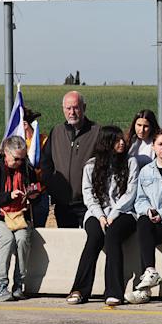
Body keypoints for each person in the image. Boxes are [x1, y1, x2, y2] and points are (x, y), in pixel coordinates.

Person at [66, 125, 138, 306]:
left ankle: (114, 291)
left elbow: (131, 193)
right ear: (106, 143)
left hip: (123, 212)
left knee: (113, 236)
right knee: (95, 237)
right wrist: (100, 216)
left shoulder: (131, 163)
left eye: (122, 139)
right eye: (116, 140)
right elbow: (88, 194)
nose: (122, 143)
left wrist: (113, 214)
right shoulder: (91, 166)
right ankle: (79, 290)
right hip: (96, 213)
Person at [125, 129, 162, 305]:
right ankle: (150, 273)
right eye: (160, 144)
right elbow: (140, 199)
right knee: (143, 222)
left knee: (145, 234)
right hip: (151, 220)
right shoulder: (145, 171)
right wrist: (149, 211)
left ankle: (144, 289)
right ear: (153, 147)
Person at [0, 136, 41, 302]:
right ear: (6, 153)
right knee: (7, 239)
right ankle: (1, 286)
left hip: (20, 216)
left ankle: (19, 284)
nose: (20, 162)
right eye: (16, 159)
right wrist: (8, 196)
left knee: (22, 240)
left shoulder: (27, 170)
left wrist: (33, 195)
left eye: (23, 158)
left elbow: (36, 191)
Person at [41, 91, 101, 228]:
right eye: (68, 108)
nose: (72, 112)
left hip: (88, 202)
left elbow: (104, 163)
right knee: (67, 242)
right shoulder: (56, 132)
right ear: (63, 109)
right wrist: (52, 185)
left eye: (76, 107)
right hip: (63, 203)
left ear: (84, 108)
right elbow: (46, 162)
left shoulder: (96, 132)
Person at [21, 107, 49, 228]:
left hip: (40, 192)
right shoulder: (17, 140)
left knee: (39, 228)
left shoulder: (43, 140)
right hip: (21, 194)